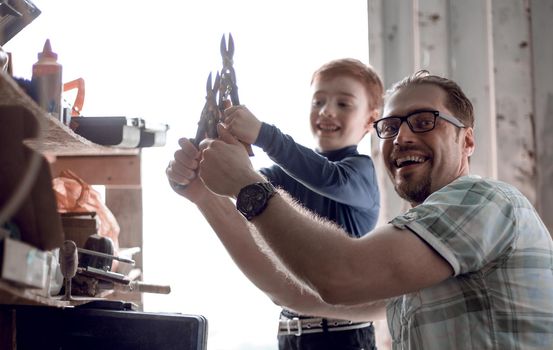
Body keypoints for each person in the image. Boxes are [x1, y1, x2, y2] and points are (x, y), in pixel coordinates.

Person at [188, 70, 553, 349]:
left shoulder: (483, 200)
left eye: (424, 121)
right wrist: (203, 196)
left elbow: (340, 276)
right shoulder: (424, 247)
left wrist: (247, 184)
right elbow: (295, 294)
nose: (402, 137)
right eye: (391, 127)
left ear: (467, 139)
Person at [168, 58, 384, 350]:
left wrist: (264, 135)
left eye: (344, 104)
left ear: (371, 121)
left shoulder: (360, 173)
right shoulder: (284, 177)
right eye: (318, 101)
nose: (327, 111)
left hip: (345, 336)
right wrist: (194, 175)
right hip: (289, 332)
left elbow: (330, 178)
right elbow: (238, 185)